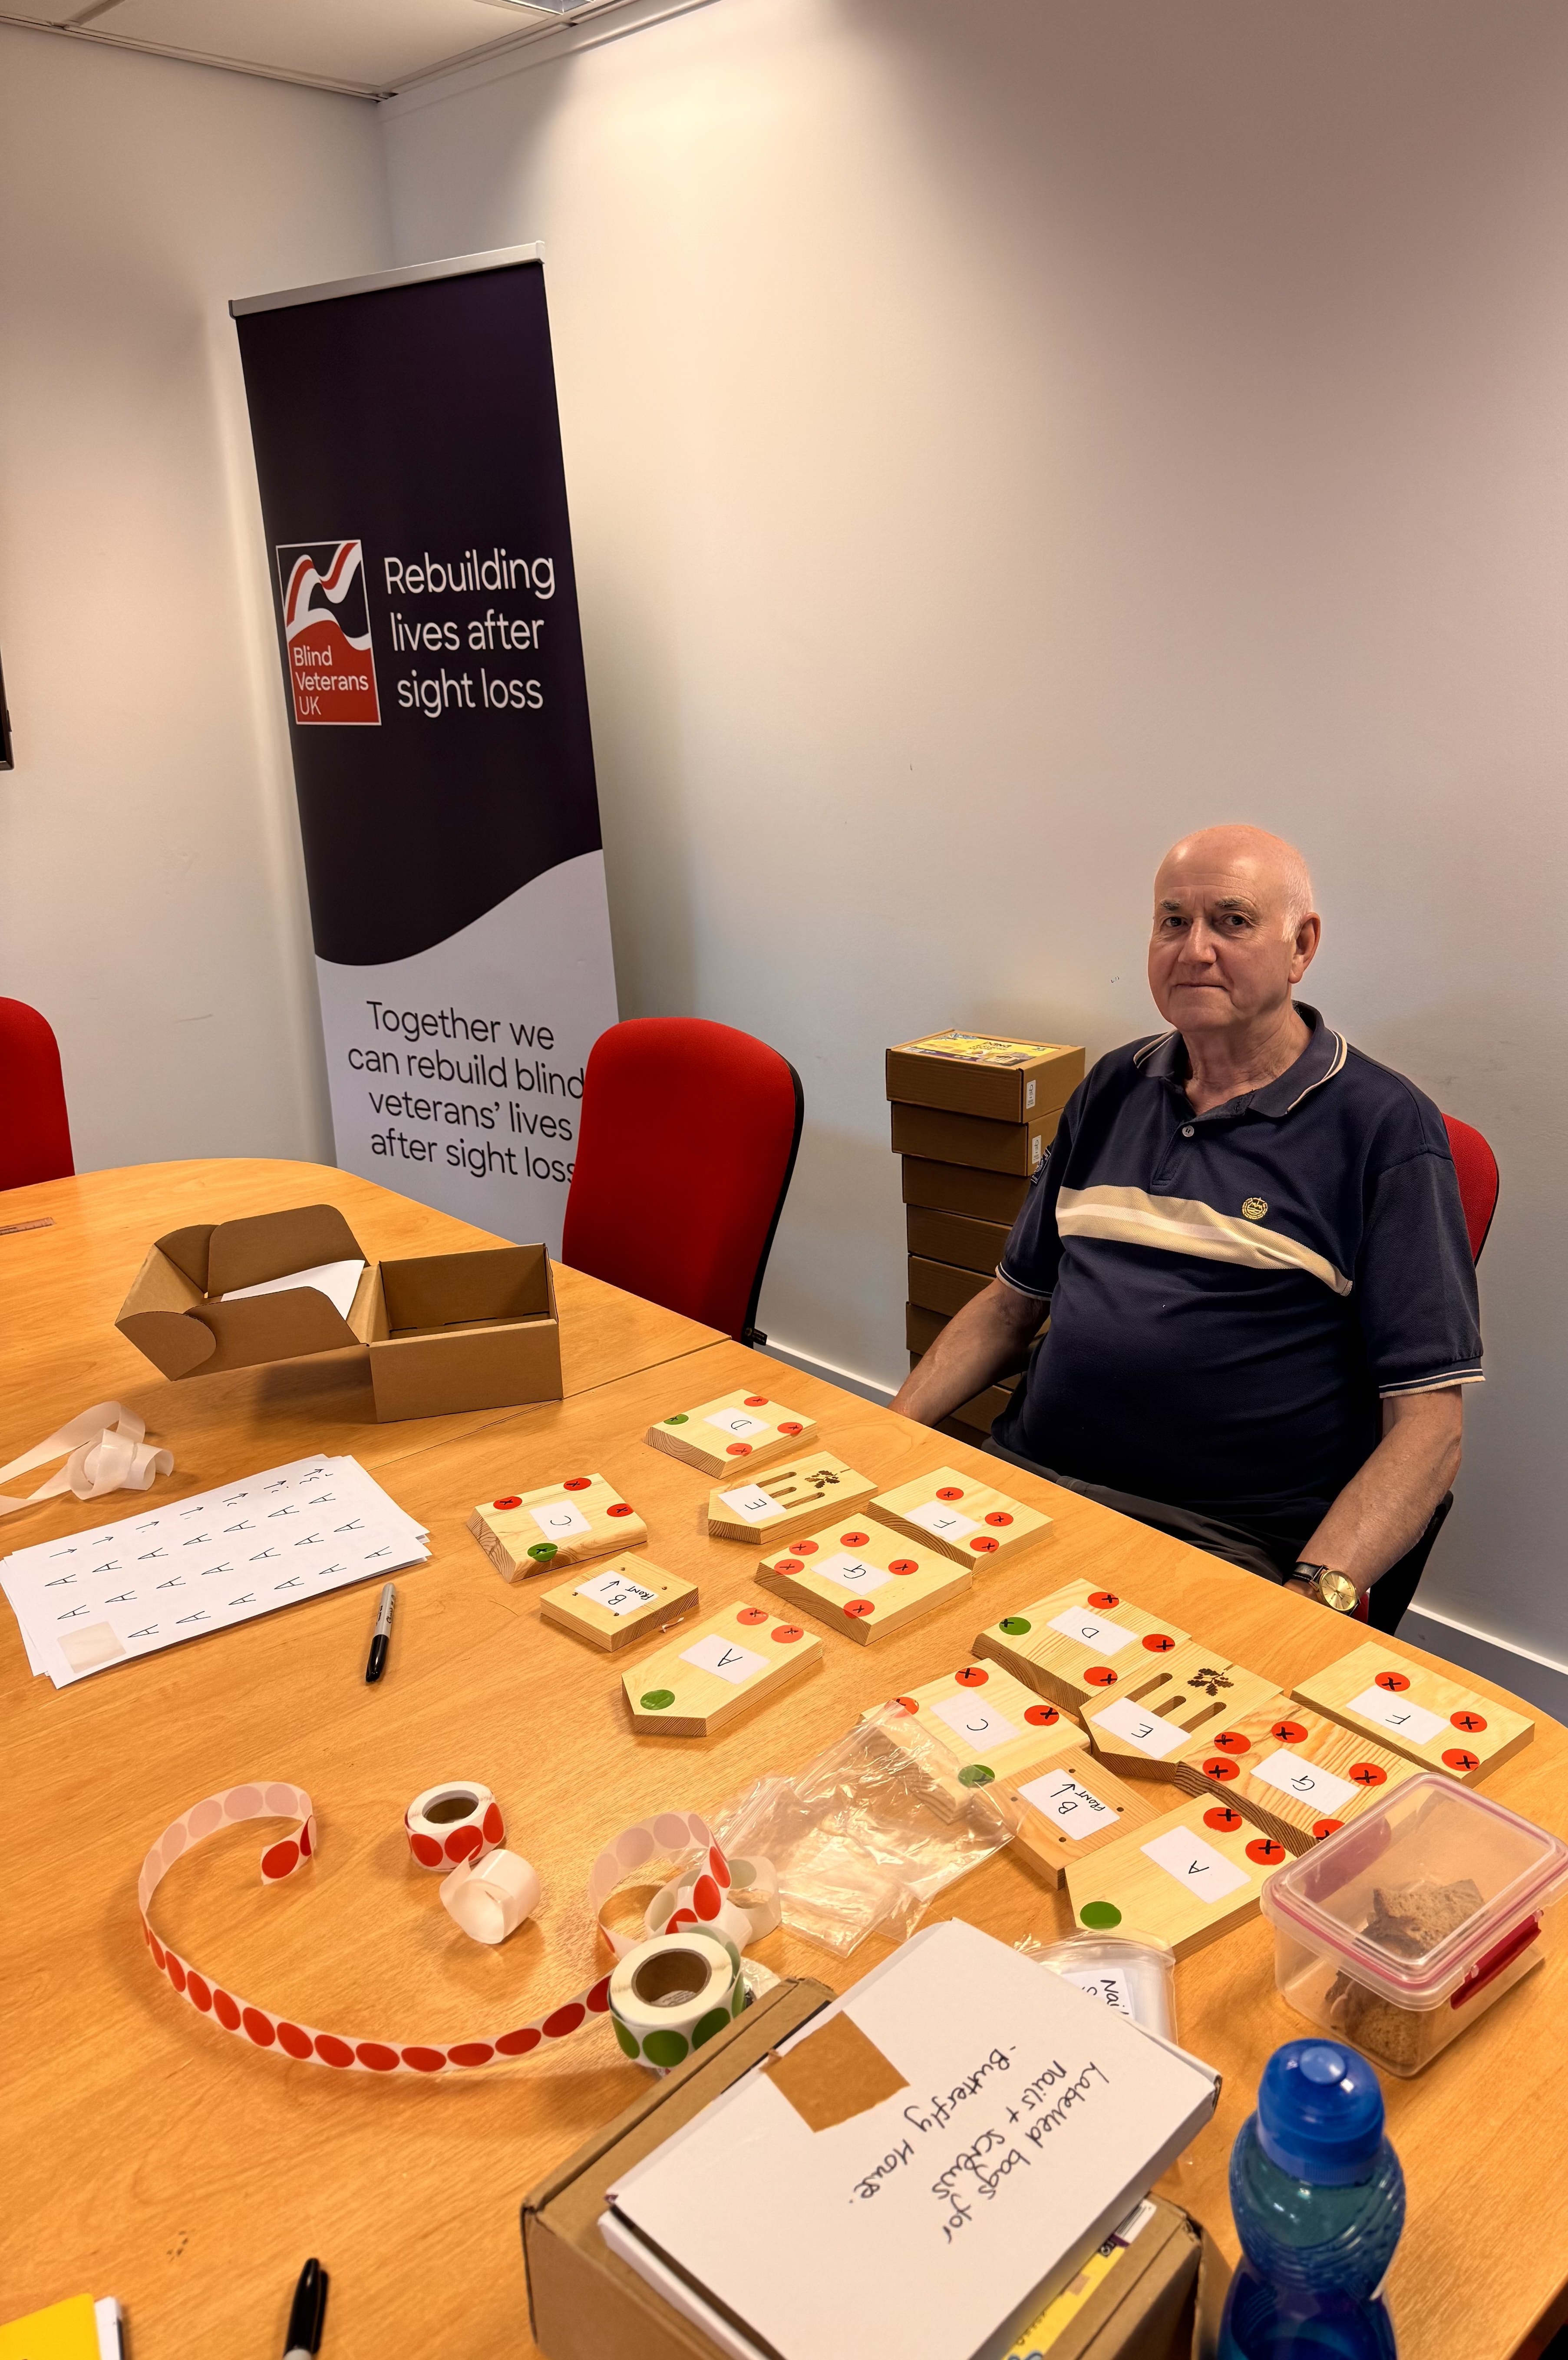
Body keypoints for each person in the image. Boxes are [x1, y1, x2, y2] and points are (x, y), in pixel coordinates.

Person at [890, 825, 1482, 1625]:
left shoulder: (1384, 1128)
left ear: (1300, 945)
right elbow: (1008, 1305)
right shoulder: (1112, 1087)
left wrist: (1312, 1601)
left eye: (1231, 921)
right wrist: (885, 1442)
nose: (1194, 950)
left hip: (1218, 1543)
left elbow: (1430, 1426)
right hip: (1023, 1483)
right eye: (1173, 921)